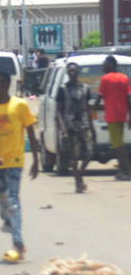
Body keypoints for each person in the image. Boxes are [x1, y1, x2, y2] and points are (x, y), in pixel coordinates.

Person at [0, 72, 40, 262]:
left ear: (6, 85)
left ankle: (18, 242)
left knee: (13, 200)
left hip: (15, 160)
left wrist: (36, 160)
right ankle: (8, 220)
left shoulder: (20, 105)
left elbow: (30, 130)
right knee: (2, 199)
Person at [56, 63, 97, 192]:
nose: (72, 73)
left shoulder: (85, 88)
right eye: (69, 71)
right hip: (70, 126)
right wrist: (62, 128)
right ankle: (78, 182)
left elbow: (89, 109)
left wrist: (92, 127)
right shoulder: (62, 89)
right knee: (73, 156)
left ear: (78, 72)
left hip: (84, 124)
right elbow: (58, 111)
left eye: (74, 71)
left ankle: (79, 175)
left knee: (89, 152)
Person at [97, 56, 131, 180]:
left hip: (112, 116)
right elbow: (128, 98)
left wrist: (90, 106)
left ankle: (127, 171)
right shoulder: (125, 78)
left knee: (118, 145)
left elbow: (99, 97)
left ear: (111, 65)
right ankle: (122, 170)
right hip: (122, 115)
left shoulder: (105, 79)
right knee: (119, 143)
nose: (103, 66)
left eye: (105, 64)